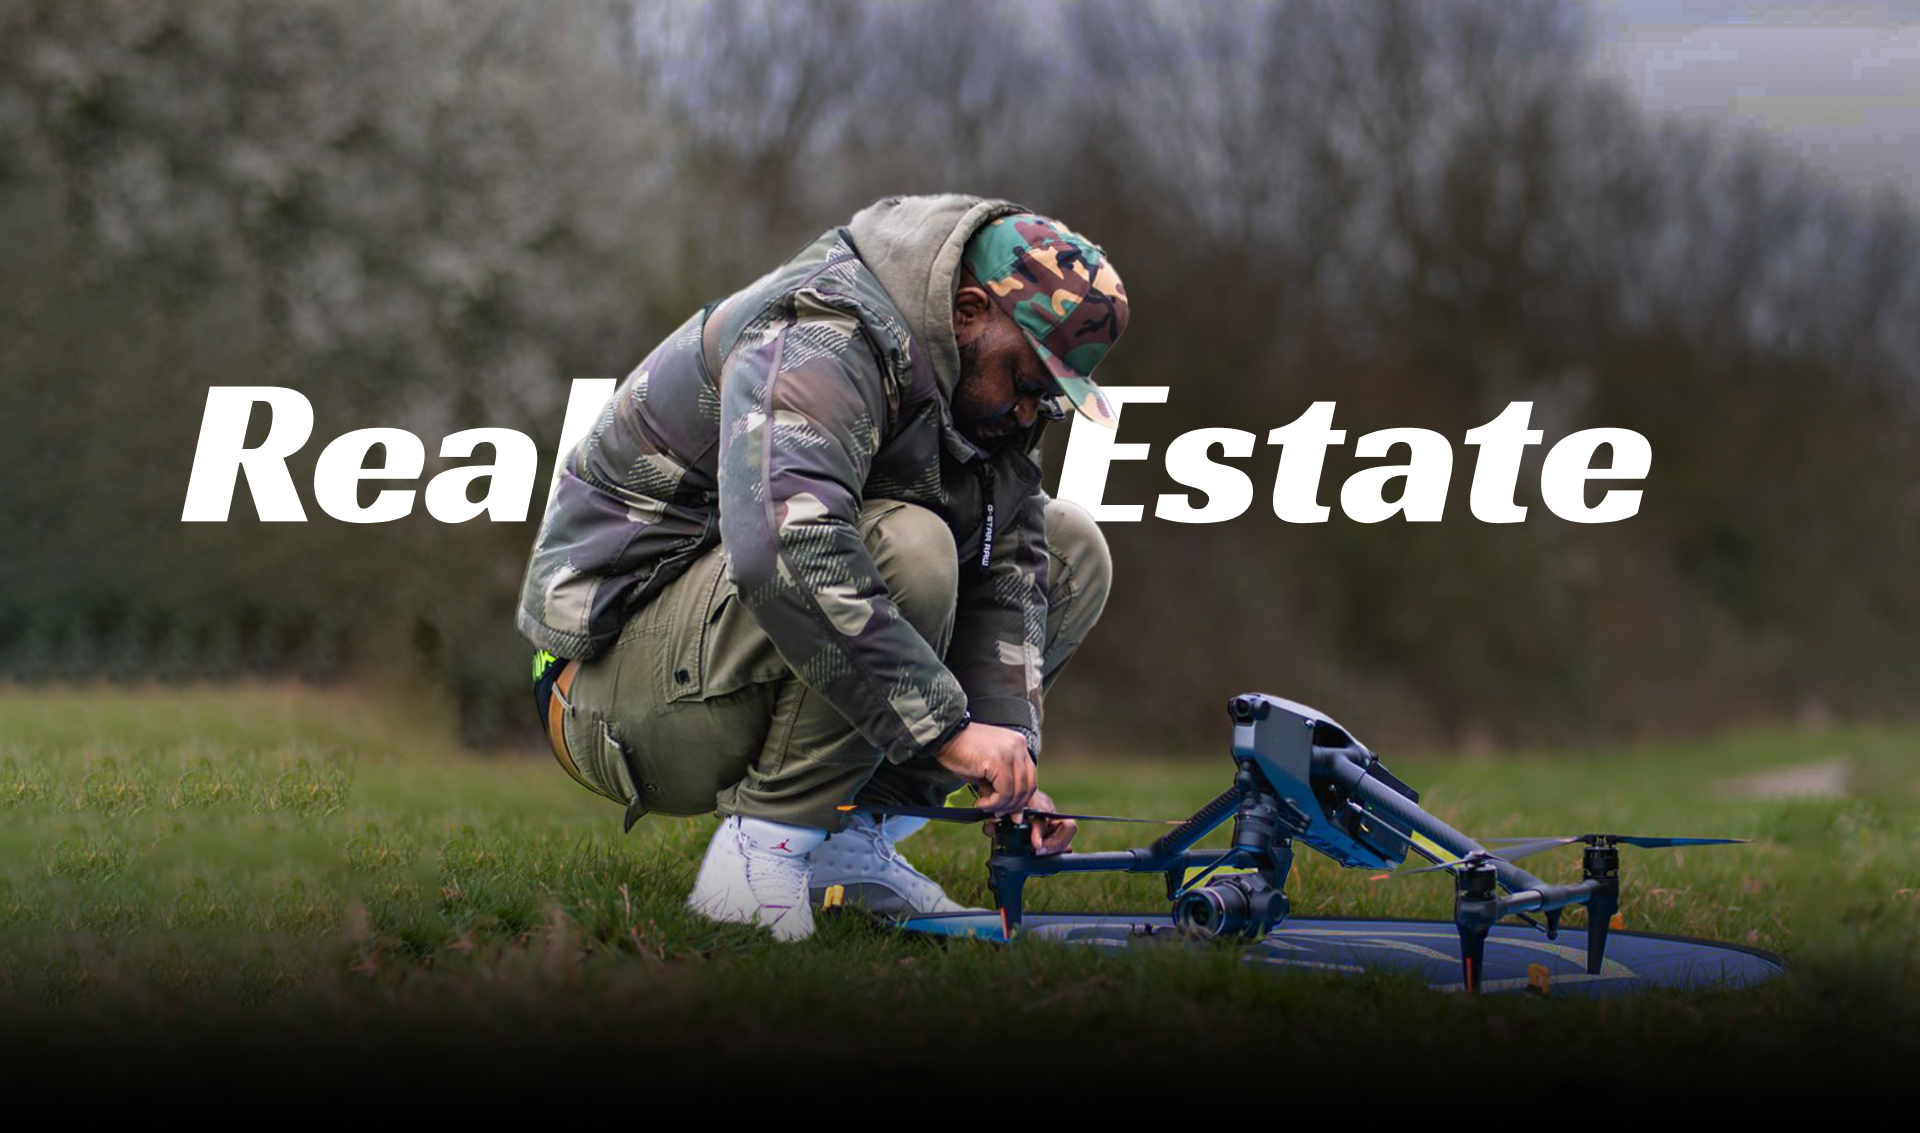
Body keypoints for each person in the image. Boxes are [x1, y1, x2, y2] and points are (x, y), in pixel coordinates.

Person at [517, 193, 1128, 940]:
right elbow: (785, 546)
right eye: (1027, 383)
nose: (1030, 412)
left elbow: (1010, 566)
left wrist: (1007, 756)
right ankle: (759, 858)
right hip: (601, 686)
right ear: (968, 310)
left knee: (1070, 548)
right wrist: (947, 729)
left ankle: (848, 840)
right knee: (908, 548)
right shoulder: (821, 331)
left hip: (718, 650)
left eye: (1050, 398)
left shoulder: (979, 387)